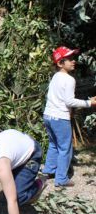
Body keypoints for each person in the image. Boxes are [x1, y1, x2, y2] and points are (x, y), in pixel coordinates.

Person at [42, 46, 96, 187]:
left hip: (48, 116)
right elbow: (69, 101)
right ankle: (61, 179)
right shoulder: (69, 79)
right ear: (60, 63)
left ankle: (49, 170)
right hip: (60, 118)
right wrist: (89, 103)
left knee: (54, 144)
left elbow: (54, 97)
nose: (73, 61)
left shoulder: (55, 76)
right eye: (70, 59)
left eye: (73, 58)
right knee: (65, 148)